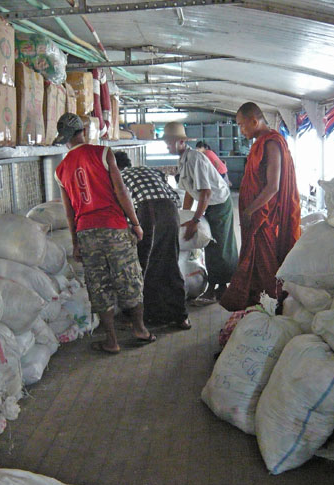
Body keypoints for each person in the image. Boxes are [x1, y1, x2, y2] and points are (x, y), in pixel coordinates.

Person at [53, 113, 156, 354]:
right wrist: (136, 222)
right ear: (83, 132)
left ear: (65, 139)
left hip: (86, 232)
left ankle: (111, 341)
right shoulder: (102, 153)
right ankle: (140, 329)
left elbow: (69, 213)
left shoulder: (60, 170)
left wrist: (75, 242)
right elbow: (121, 191)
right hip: (114, 227)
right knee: (129, 277)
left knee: (99, 285)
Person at [219, 102, 301, 312]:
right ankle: (258, 303)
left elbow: (273, 187)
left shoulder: (272, 144)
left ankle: (273, 304)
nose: (241, 130)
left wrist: (250, 209)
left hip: (266, 218)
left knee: (266, 265)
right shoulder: (260, 143)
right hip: (258, 215)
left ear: (254, 121)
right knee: (255, 263)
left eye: (241, 125)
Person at [114, 151, 190, 330]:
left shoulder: (118, 177)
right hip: (170, 210)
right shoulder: (149, 170)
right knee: (170, 261)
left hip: (148, 211)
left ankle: (150, 316)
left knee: (145, 263)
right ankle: (180, 316)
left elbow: (122, 205)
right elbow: (170, 191)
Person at [164, 122, 238, 305]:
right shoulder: (183, 160)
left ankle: (219, 288)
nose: (167, 146)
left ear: (181, 141)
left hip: (219, 204)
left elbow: (206, 192)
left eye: (170, 142)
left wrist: (195, 220)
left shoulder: (195, 158)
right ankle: (217, 287)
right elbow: (190, 191)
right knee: (210, 246)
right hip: (209, 204)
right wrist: (185, 215)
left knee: (219, 246)